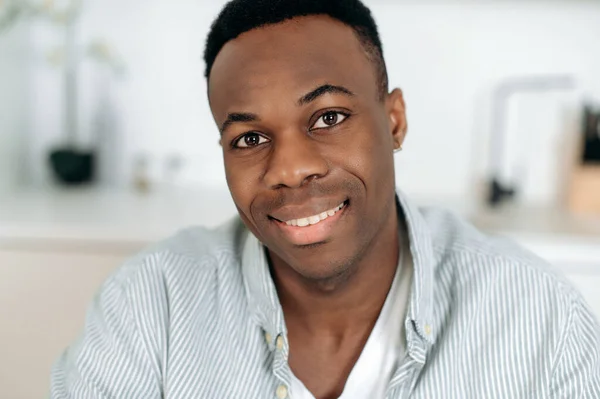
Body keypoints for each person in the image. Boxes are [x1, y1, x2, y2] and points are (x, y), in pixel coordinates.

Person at [50, 0, 600, 398]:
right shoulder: (150, 306)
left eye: (328, 117)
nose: (289, 169)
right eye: (249, 138)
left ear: (394, 122)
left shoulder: (539, 317)